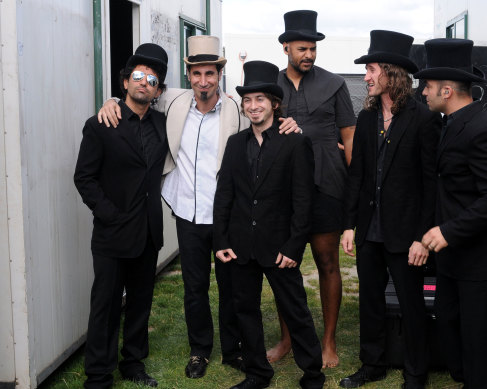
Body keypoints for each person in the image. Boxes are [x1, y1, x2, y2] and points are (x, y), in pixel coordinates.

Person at [97, 36, 299, 379]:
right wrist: (112, 99)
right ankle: (199, 350)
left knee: (231, 287)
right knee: (195, 287)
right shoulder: (172, 102)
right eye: (196, 74)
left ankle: (232, 349)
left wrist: (290, 123)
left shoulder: (236, 108)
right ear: (188, 75)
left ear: (219, 74)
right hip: (187, 212)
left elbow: (264, 120)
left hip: (226, 215)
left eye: (210, 74)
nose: (203, 81)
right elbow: (139, 96)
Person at [213, 60, 325, 389]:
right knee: (245, 310)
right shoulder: (236, 144)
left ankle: (313, 373)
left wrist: (293, 246)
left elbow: (304, 201)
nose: (253, 106)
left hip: (279, 248)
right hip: (240, 247)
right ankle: (258, 372)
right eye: (247, 100)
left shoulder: (295, 142)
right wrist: (221, 240)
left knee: (296, 310)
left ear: (274, 103)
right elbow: (224, 196)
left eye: (260, 99)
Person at [339, 30, 441, 389]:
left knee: (412, 306)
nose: (365, 77)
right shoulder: (366, 119)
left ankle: (415, 373)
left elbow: (432, 186)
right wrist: (350, 225)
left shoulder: (425, 120)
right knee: (369, 301)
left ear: (391, 73)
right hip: (370, 230)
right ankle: (373, 364)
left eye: (370, 69)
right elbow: (357, 176)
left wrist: (421, 239)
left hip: (406, 235)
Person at [415, 38, 487, 389]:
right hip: (453, 259)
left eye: (426, 86)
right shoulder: (448, 124)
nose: (422, 92)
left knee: (477, 339)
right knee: (448, 325)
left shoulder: (482, 129)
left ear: (446, 89)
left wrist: (447, 231)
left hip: (482, 261)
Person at [74, 43, 169, 388]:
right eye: (139, 76)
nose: (145, 83)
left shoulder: (162, 123)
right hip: (112, 234)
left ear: (158, 89)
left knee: (141, 304)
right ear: (126, 81)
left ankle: (133, 363)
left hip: (148, 232)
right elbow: (83, 177)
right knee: (106, 305)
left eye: (153, 79)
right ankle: (99, 374)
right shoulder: (101, 123)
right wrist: (109, 214)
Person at [268, 9, 356, 368]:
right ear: (286, 46)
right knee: (282, 266)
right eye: (302, 49)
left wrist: (356, 188)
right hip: (282, 191)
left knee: (327, 263)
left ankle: (329, 342)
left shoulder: (335, 84)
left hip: (327, 187)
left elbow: (349, 137)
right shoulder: (269, 86)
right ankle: (287, 338)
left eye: (313, 49)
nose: (308, 55)